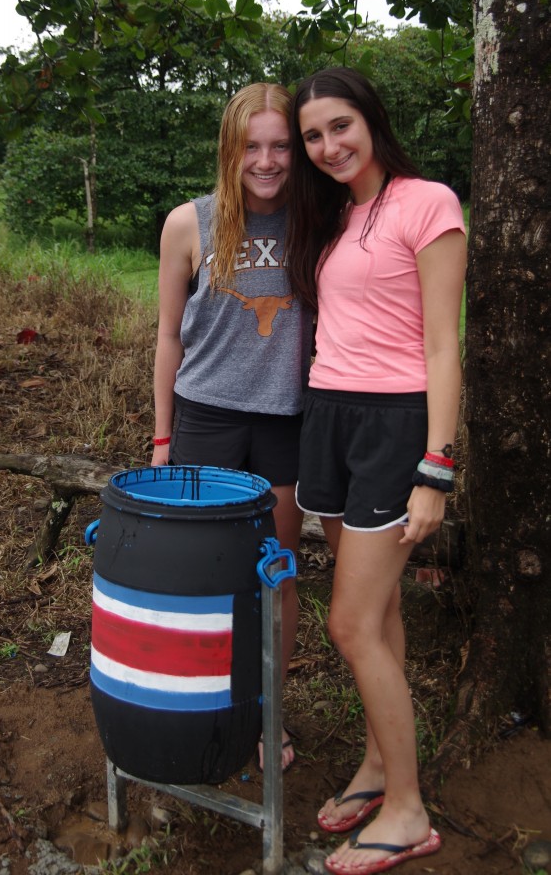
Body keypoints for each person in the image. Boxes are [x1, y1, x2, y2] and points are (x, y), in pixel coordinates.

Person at [285, 67, 466, 874]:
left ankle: (408, 809)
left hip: (394, 427)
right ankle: (375, 768)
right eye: (312, 135)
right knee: (379, 611)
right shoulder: (333, 216)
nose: (327, 146)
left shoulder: (428, 202)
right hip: (328, 415)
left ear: (371, 120)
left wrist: (435, 466)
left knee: (349, 624)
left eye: (339, 127)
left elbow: (440, 344)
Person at [152, 82, 313, 772]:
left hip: (284, 420)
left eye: (280, 145)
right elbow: (167, 337)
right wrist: (162, 439)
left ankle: (264, 713)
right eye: (252, 145)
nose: (267, 160)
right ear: (229, 147)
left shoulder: (316, 221)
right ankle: (194, 710)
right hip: (207, 417)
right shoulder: (189, 223)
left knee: (274, 577)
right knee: (200, 579)